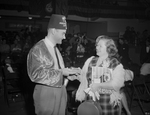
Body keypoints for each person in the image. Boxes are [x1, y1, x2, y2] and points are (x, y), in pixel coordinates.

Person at [27, 14, 81, 115]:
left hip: (60, 91)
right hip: (46, 94)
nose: (64, 37)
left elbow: (58, 70)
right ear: (53, 31)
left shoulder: (56, 49)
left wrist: (68, 77)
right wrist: (61, 73)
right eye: (63, 33)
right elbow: (35, 74)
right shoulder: (38, 49)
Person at [76, 35, 126, 115]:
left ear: (108, 48)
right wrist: (76, 75)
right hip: (90, 104)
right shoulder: (90, 60)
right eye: (97, 45)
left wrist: (99, 85)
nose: (97, 47)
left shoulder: (115, 63)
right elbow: (84, 78)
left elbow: (118, 83)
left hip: (108, 105)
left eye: (100, 46)